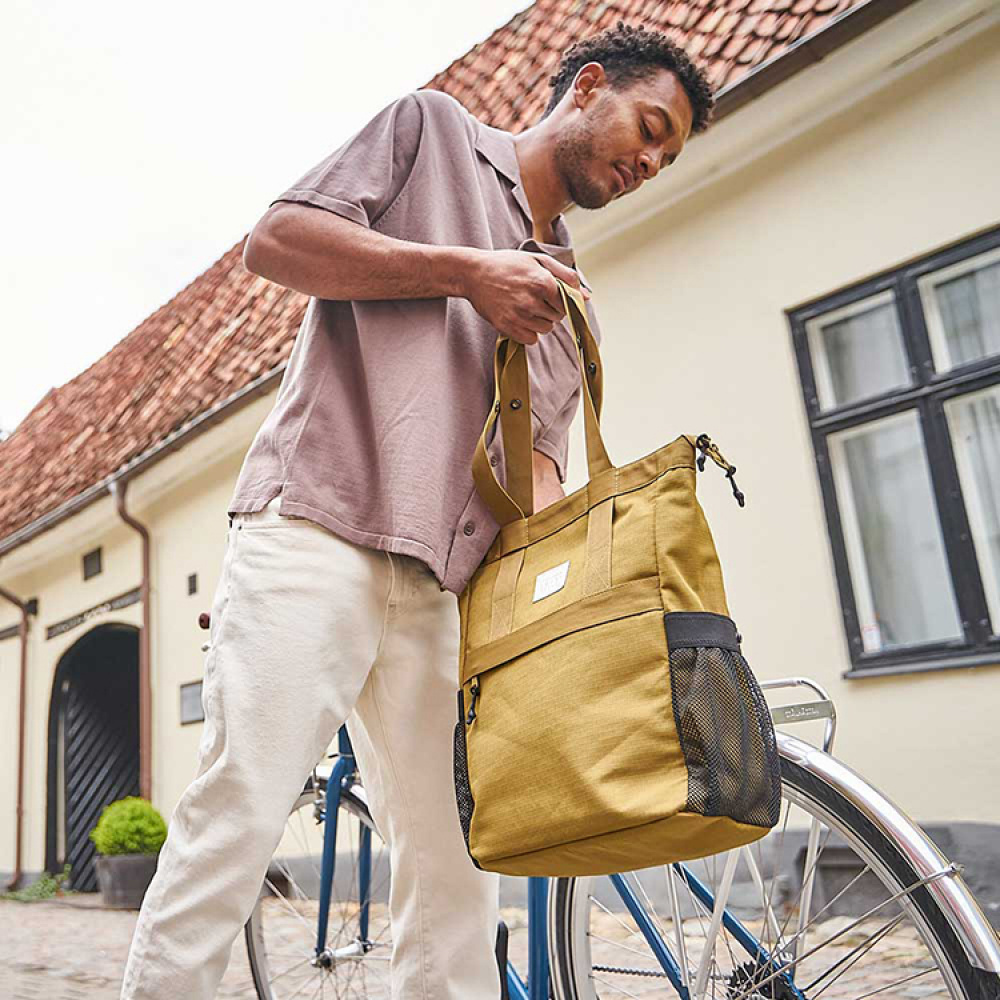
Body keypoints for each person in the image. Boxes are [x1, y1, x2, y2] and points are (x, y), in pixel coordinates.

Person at [119, 19, 714, 1000]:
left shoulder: (572, 304)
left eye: (667, 151)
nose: (650, 157)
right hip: (318, 523)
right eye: (648, 125)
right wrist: (467, 271)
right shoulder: (429, 132)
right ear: (588, 87)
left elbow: (537, 479)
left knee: (456, 869)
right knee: (239, 815)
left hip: (446, 592)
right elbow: (278, 241)